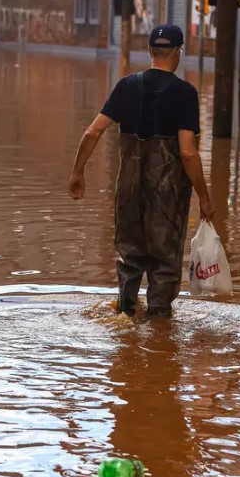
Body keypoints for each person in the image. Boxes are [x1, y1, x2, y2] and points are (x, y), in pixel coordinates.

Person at [67, 24, 214, 318]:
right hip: (167, 195)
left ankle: (125, 315)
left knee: (130, 257)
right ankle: (159, 335)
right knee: (163, 261)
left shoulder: (126, 86)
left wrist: (77, 172)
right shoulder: (184, 93)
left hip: (129, 190)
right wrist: (205, 197)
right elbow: (187, 152)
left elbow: (93, 131)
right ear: (179, 53)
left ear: (149, 51)